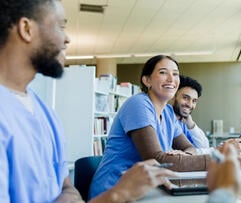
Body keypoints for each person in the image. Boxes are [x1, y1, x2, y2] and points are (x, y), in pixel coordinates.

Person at [0, 0, 177, 202]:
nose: (66, 39)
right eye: (60, 26)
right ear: (26, 29)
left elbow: (67, 188)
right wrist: (118, 194)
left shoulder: (44, 113)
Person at [89, 55, 213, 199]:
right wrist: (215, 160)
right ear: (147, 80)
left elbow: (189, 148)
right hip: (115, 190)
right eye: (163, 72)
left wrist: (184, 156)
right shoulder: (139, 104)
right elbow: (157, 160)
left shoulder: (168, 112)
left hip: (146, 189)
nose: (171, 79)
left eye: (175, 74)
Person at [169, 75, 213, 154]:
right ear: (172, 97)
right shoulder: (165, 118)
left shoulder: (184, 122)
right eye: (185, 98)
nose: (190, 104)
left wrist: (191, 125)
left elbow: (204, 146)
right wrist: (217, 150)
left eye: (194, 101)